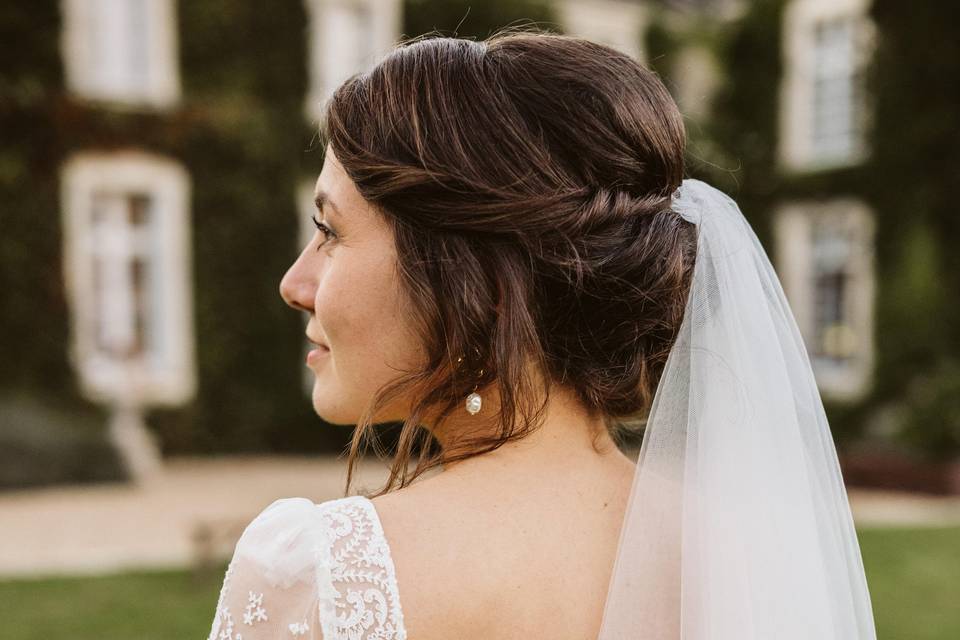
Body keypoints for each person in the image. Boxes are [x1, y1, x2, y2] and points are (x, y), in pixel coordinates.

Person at [207, 29, 876, 640]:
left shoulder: (316, 580)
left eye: (330, 232)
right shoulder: (739, 556)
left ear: (479, 284)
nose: (294, 283)